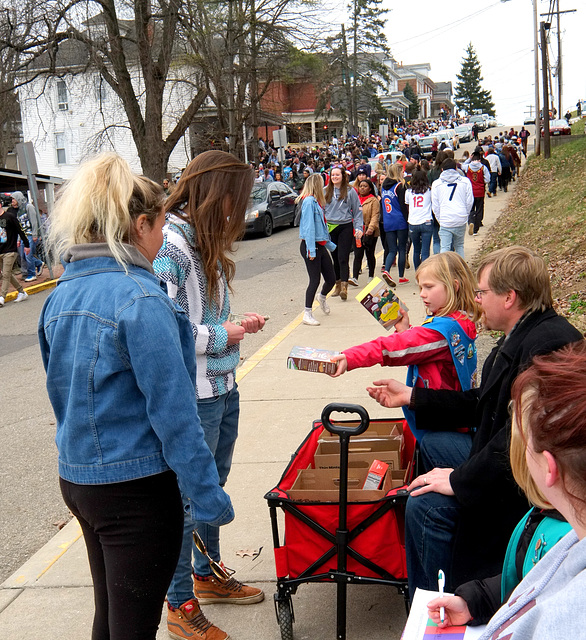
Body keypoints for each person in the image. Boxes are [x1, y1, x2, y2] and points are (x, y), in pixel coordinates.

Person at [38, 153, 234, 640]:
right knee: (132, 625)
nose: (161, 239)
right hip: (137, 490)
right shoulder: (142, 300)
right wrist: (209, 496)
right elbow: (176, 416)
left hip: (81, 479)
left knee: (110, 616)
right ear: (140, 224)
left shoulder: (61, 296)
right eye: (159, 226)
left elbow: (59, 392)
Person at [366, 246, 582, 595]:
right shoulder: (525, 335)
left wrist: (460, 480)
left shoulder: (549, 345)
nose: (477, 300)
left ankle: (435, 604)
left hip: (522, 488)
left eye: (482, 292)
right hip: (505, 464)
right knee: (433, 446)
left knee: (425, 505)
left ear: (509, 297)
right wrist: (412, 397)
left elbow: (518, 441)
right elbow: (483, 403)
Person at [153, 151, 266, 640]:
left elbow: (201, 318)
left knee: (211, 491)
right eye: (235, 203)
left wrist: (234, 327)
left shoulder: (200, 241)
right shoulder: (172, 248)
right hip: (194, 395)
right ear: (216, 196)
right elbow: (165, 331)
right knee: (187, 500)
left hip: (221, 386)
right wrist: (229, 334)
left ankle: (207, 573)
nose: (237, 215)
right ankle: (179, 602)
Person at [427, 342, 586, 638]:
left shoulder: (567, 622)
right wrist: (476, 601)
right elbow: (533, 580)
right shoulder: (569, 533)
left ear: (550, 469)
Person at [332, 252, 479, 442]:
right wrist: (404, 330)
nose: (422, 294)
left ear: (454, 286)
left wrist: (351, 357)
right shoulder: (459, 320)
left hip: (442, 425)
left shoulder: (443, 330)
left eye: (429, 287)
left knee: (431, 450)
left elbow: (394, 347)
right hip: (452, 416)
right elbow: (421, 347)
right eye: (420, 287)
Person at [296, 173, 337, 326]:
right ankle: (307, 313)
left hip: (319, 245)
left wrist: (328, 245)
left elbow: (321, 228)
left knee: (331, 278)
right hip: (310, 245)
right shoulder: (308, 202)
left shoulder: (316, 202)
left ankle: (322, 297)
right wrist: (311, 251)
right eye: (322, 184)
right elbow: (309, 228)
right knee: (314, 280)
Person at [324, 166, 363, 301]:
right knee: (334, 257)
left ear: (343, 176)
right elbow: (321, 210)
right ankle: (338, 284)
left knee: (343, 257)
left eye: (337, 175)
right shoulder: (325, 191)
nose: (335, 177)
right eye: (332, 175)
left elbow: (357, 211)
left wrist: (359, 228)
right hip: (330, 227)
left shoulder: (350, 191)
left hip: (345, 225)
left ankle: (345, 286)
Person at [431, 158, 473, 258]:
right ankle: (460, 270)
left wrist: (440, 219)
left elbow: (435, 205)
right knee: (459, 246)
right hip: (460, 217)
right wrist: (465, 214)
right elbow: (469, 201)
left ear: (442, 170)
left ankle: (445, 270)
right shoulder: (465, 181)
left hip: (445, 219)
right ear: (455, 168)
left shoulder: (436, 184)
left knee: (444, 247)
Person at [381, 163, 409, 283]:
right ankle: (401, 276)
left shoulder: (383, 187)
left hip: (388, 220)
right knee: (402, 248)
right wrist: (408, 219)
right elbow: (403, 205)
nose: (404, 173)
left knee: (392, 249)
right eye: (402, 171)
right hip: (400, 220)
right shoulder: (400, 186)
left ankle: (386, 270)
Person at [0, 197, 29, 307]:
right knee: (7, 274)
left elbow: (20, 230)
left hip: (10, 250)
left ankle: (2, 297)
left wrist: (26, 244)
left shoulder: (9, 217)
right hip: (0, 251)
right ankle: (22, 292)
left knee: (6, 274)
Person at [350, 178, 379, 285]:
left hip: (369, 232)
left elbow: (375, 215)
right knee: (358, 254)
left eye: (365, 186)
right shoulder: (355, 199)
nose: (362, 188)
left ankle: (371, 275)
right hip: (357, 231)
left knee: (370, 253)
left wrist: (371, 228)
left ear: (370, 188)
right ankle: (355, 277)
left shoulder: (373, 200)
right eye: (360, 186)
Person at [11, 191, 44, 282]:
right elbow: (20, 227)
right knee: (23, 256)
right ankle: (39, 263)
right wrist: (18, 239)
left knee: (28, 255)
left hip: (30, 235)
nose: (12, 201)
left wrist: (35, 235)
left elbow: (34, 221)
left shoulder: (28, 207)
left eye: (13, 199)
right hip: (23, 237)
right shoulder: (18, 211)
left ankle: (32, 274)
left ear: (18, 198)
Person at [405, 169, 433, 270]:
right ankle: (425, 273)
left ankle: (418, 273)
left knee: (416, 250)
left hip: (413, 222)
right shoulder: (429, 191)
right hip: (426, 221)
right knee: (425, 251)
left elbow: (407, 206)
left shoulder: (408, 192)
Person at [462, 151, 490, 236]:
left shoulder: (468, 167)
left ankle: (471, 221)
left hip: (470, 191)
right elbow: (488, 179)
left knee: (470, 209)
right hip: (480, 191)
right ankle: (476, 229)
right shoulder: (483, 167)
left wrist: (469, 159)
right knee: (479, 209)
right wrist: (482, 182)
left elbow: (462, 166)